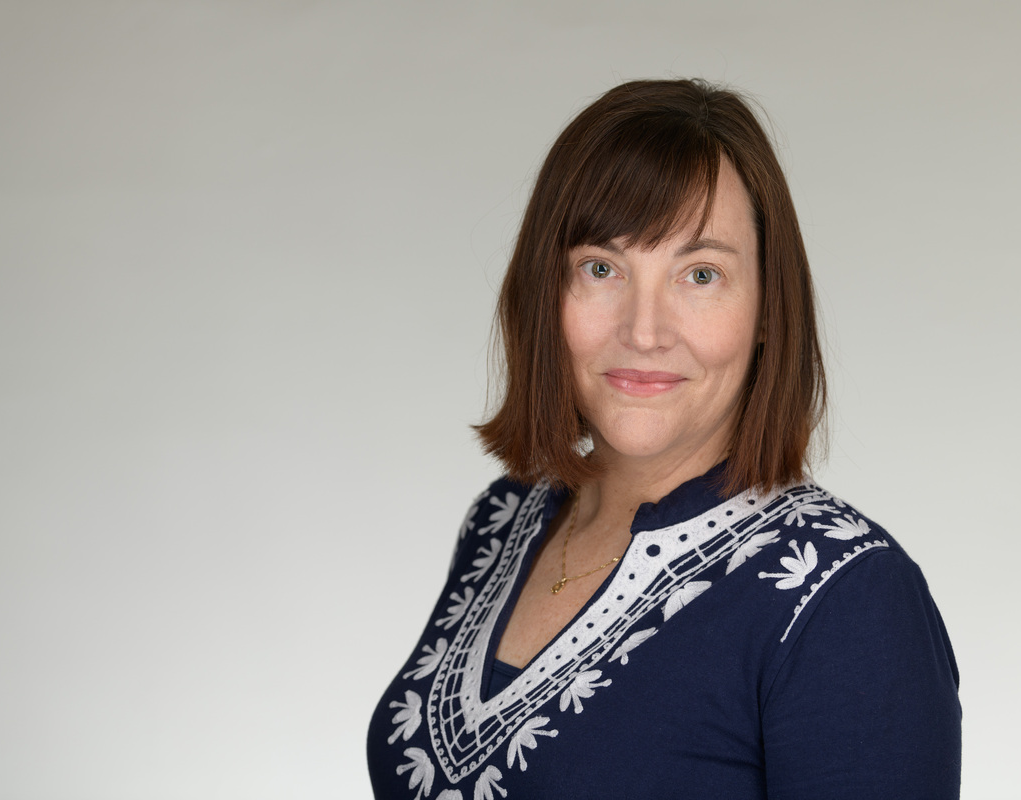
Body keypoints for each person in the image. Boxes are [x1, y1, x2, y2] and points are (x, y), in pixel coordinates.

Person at [367, 78, 961, 799]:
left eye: (700, 274)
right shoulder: (503, 519)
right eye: (600, 268)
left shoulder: (848, 600)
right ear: (543, 294)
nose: (644, 331)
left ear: (769, 309)